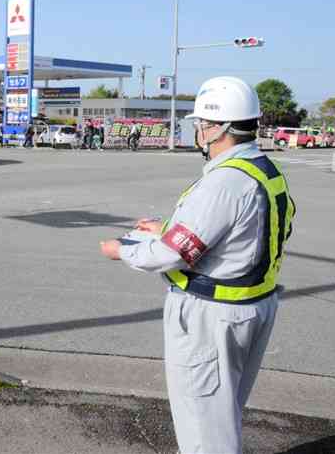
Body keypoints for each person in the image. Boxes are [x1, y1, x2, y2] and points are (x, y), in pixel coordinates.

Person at [99, 77, 296, 454]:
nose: (198, 132)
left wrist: (121, 250)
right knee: (223, 414)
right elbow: (239, 231)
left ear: (217, 128)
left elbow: (171, 254)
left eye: (200, 124)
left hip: (212, 315)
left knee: (204, 427)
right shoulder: (264, 171)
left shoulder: (224, 181)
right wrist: (165, 229)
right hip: (251, 305)